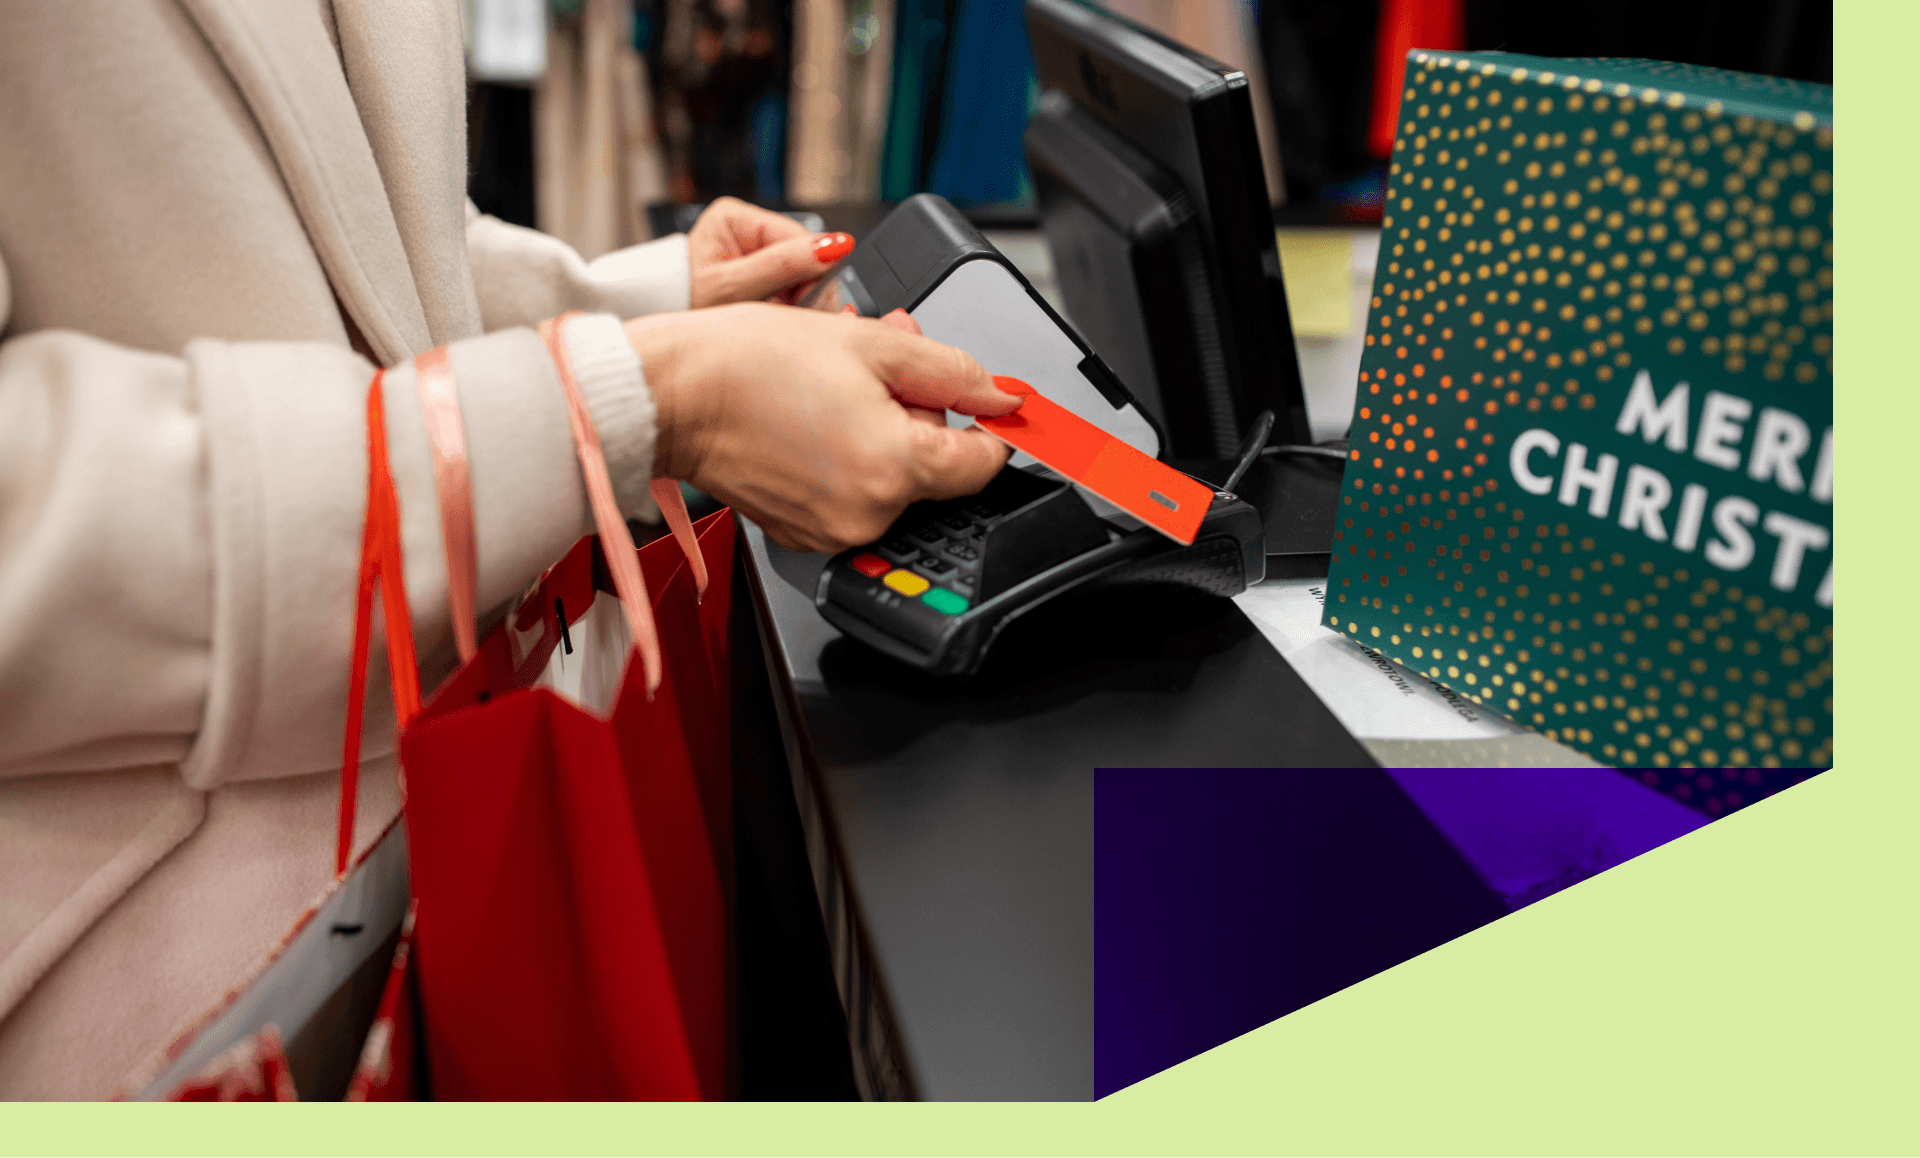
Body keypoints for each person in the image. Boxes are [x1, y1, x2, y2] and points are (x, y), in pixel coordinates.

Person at [0, 1, 1017, 1099]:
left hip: (442, 818)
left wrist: (641, 309)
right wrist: (637, 399)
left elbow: (340, 217)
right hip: (167, 977)